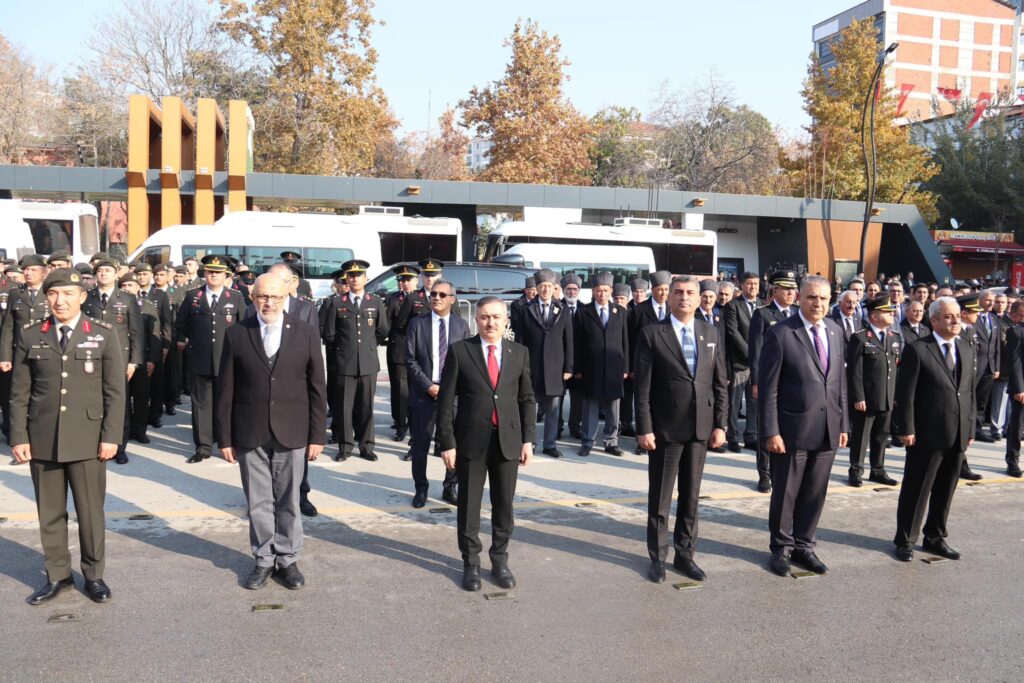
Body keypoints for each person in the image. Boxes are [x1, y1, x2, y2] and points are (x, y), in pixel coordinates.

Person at [10, 268, 126, 605]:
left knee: (90, 512)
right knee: (50, 513)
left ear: (82, 297)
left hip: (89, 439)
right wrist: (19, 436)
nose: (60, 301)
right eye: (53, 294)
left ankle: (93, 575)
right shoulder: (32, 335)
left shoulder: (102, 334)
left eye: (67, 294)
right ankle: (57, 575)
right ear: (46, 298)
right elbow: (19, 393)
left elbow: (115, 393)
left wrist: (111, 437)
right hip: (42, 436)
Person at [215, 274, 327, 590]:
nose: (269, 303)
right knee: (259, 501)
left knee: (290, 500)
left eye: (275, 297)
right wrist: (224, 437)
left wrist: (318, 435)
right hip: (249, 431)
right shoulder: (237, 333)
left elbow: (318, 387)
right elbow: (226, 390)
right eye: (263, 297)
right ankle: (264, 559)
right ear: (253, 298)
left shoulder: (305, 332)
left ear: (286, 297)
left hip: (293, 430)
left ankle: (288, 560)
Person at [437, 296, 535, 592]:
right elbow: (445, 402)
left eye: (495, 317)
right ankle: (471, 564)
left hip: (507, 441)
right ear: (475, 320)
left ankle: (500, 561)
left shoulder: (518, 353)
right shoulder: (460, 352)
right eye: (483, 317)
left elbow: (527, 398)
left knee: (504, 506)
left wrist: (528, 439)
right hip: (470, 442)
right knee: (469, 507)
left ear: (506, 320)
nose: (490, 322)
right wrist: (447, 442)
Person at [634, 276, 728, 583]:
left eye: (690, 293)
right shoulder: (652, 333)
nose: (684, 298)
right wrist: (645, 428)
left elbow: (719, 383)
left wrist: (721, 424)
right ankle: (658, 558)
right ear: (669, 297)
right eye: (678, 293)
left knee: (691, 498)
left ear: (700, 297)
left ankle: (685, 555)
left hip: (700, 429)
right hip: (664, 430)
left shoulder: (709, 331)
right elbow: (642, 387)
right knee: (660, 499)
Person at [759, 275, 847, 576]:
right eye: (811, 297)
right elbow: (768, 388)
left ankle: (804, 546)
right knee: (786, 493)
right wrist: (771, 431)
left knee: (815, 492)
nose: (818, 303)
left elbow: (839, 383)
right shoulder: (782, 333)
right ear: (799, 298)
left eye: (823, 298)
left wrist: (843, 423)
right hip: (791, 430)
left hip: (827, 429)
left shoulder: (834, 331)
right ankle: (781, 549)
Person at [892, 296, 975, 562]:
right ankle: (905, 539)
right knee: (917, 489)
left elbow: (968, 392)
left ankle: (935, 537)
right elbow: (906, 394)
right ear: (935, 319)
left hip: (958, 431)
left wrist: (970, 427)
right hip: (926, 433)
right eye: (948, 317)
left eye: (957, 316)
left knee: (945, 489)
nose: (955, 321)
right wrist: (906, 428)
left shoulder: (966, 347)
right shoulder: (917, 349)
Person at [405, 278, 469, 506]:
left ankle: (449, 487)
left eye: (442, 295)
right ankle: (420, 489)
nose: (436, 298)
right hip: (425, 393)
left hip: (451, 395)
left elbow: (466, 362)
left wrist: (451, 389)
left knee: (452, 443)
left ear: (452, 299)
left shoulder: (461, 326)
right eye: (433, 294)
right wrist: (429, 386)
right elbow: (410, 360)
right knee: (420, 445)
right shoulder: (417, 324)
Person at [320, 259, 390, 461]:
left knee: (366, 407)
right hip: (345, 363)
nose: (355, 278)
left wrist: (367, 346)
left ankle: (366, 446)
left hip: (368, 363)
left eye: (358, 275)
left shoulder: (375, 302)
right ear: (346, 279)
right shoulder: (336, 302)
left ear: (365, 278)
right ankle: (345, 446)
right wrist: (347, 349)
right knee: (344, 408)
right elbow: (330, 333)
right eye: (351, 276)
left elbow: (382, 329)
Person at [174, 254, 240, 463]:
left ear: (226, 275)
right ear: (204, 274)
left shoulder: (235, 298)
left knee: (226, 403)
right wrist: (195, 341)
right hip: (199, 359)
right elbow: (181, 323)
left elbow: (244, 327)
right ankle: (202, 447)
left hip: (227, 360)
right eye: (210, 272)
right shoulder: (193, 296)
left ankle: (225, 442)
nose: (214, 275)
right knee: (201, 405)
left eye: (218, 272)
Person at [83, 259, 145, 465]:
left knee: (120, 403)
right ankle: (96, 443)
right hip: (91, 357)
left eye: (108, 270)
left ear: (116, 274)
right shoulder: (87, 298)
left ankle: (120, 447)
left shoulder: (127, 299)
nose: (103, 274)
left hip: (119, 359)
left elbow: (136, 333)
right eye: (99, 271)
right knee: (94, 402)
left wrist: (134, 362)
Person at [748, 271, 799, 492]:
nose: (790, 293)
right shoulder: (763, 315)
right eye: (785, 289)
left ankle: (782, 471)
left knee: (788, 427)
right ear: (775, 290)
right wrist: (758, 382)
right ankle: (765, 474)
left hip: (791, 381)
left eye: (793, 289)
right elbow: (756, 351)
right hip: (769, 381)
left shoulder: (797, 314)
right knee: (766, 427)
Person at [845, 295, 902, 487]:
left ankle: (878, 470)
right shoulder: (860, 337)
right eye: (887, 311)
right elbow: (854, 370)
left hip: (886, 397)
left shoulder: (894, 338)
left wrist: (894, 395)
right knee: (861, 437)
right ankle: (856, 470)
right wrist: (858, 396)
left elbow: (896, 370)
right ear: (874, 316)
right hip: (867, 398)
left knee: (881, 436)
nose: (892, 314)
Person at [517, 268, 573, 459]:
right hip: (531, 367)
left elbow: (569, 341)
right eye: (542, 286)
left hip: (555, 368)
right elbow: (520, 340)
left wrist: (568, 367)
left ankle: (550, 444)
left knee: (553, 410)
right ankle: (529, 443)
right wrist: (519, 366)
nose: (546, 289)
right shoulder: (526, 310)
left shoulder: (563, 310)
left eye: (549, 286)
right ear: (537, 288)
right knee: (530, 409)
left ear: (554, 288)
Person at [574, 272, 629, 457]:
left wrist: (626, 368)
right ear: (593, 292)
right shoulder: (583, 312)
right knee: (590, 406)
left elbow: (625, 341)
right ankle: (587, 441)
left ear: (611, 291)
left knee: (613, 407)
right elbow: (577, 342)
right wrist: (578, 368)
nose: (602, 294)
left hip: (615, 366)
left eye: (605, 290)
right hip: (591, 367)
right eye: (598, 290)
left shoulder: (620, 312)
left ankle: (611, 442)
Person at [0, 255, 52, 442]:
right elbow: (8, 327)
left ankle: (38, 437)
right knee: (17, 396)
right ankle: (16, 437)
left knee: (40, 396)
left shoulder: (51, 292)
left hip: (45, 352)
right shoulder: (16, 293)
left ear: (44, 272)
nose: (28, 273)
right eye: (26, 270)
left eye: (33, 269)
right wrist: (4, 356)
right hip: (19, 354)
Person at [628, 270, 672, 455]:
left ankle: (662, 436)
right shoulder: (638, 310)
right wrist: (631, 368)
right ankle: (642, 438)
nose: (663, 293)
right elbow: (630, 341)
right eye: (659, 289)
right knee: (644, 401)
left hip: (668, 366)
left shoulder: (673, 309)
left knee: (664, 402)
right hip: (645, 365)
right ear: (651, 290)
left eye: (666, 289)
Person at [385, 264, 427, 442]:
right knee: (400, 390)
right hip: (399, 349)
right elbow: (387, 324)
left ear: (416, 280)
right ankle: (401, 424)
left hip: (419, 351)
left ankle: (414, 423)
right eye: (401, 280)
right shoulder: (392, 299)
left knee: (416, 391)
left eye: (408, 279)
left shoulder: (424, 298)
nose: (404, 283)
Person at [118, 273, 161, 447]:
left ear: (137, 288)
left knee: (142, 398)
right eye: (124, 285)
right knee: (123, 399)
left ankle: (140, 431)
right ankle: (124, 432)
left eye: (131, 285)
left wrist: (152, 359)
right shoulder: (116, 304)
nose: (127, 288)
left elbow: (154, 334)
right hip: (120, 359)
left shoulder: (148, 306)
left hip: (142, 359)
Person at [722, 271, 760, 456]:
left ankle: (751, 435)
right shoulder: (733, 306)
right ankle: (732, 437)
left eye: (756, 283)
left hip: (759, 364)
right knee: (734, 402)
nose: (753, 287)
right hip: (740, 362)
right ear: (742, 285)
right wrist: (751, 354)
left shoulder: (763, 306)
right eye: (749, 283)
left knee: (754, 401)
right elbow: (733, 333)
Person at [135, 263, 172, 429]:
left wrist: (165, 345)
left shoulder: (160, 294)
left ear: (150, 276)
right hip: (138, 345)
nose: (142, 277)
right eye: (139, 274)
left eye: (145, 274)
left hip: (155, 343)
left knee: (157, 382)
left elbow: (166, 321)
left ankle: (155, 415)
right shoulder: (130, 294)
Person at [559, 274, 585, 440]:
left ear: (579, 291)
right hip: (559, 361)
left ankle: (575, 426)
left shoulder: (586, 309)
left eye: (574, 289)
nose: (571, 291)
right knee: (558, 397)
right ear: (563, 290)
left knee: (577, 398)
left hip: (579, 360)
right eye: (568, 289)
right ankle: (557, 427)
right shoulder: (556, 307)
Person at [1002, 300, 1024, 477]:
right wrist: (1018, 388)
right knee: (1017, 427)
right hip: (1022, 387)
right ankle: (1012, 461)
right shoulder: (1016, 332)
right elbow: (1014, 362)